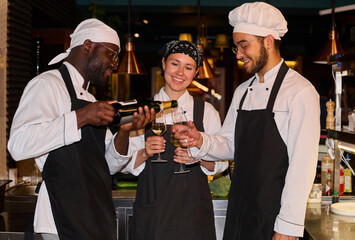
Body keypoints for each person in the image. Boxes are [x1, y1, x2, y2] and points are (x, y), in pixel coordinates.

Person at [173, 2, 320, 240]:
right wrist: (200, 140)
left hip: (275, 217)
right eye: (237, 48)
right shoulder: (242, 91)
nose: (239, 54)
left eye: (244, 46)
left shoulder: (300, 91)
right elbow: (230, 143)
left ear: (269, 41)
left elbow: (303, 165)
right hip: (240, 210)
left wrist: (288, 226)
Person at [7, 18, 154, 240]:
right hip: (61, 219)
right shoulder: (47, 84)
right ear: (88, 46)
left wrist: (124, 131)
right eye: (112, 55)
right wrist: (81, 116)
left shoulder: (91, 98)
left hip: (92, 215)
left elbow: (107, 166)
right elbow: (18, 145)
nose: (114, 64)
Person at [121, 40, 229, 240]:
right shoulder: (142, 110)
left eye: (188, 67)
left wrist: (196, 157)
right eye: (175, 63)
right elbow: (123, 163)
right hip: (153, 212)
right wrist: (145, 152)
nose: (180, 72)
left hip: (193, 213)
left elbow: (221, 162)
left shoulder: (207, 112)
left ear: (196, 73)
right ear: (163, 64)